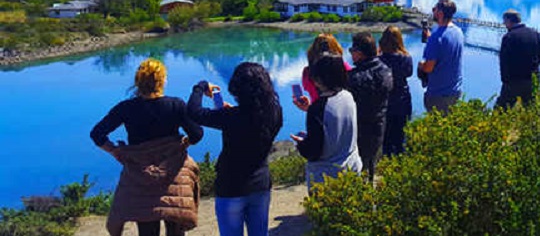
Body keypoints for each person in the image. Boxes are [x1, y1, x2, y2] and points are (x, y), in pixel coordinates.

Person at [91, 59, 202, 236]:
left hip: (140, 176)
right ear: (162, 81)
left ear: (138, 82)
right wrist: (183, 143)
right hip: (174, 175)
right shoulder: (176, 105)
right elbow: (197, 134)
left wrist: (115, 151)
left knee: (147, 229)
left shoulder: (125, 108)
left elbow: (97, 134)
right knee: (175, 228)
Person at [188, 63, 283, 236]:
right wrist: (232, 114)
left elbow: (194, 112)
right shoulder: (275, 112)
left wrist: (200, 86)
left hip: (230, 187)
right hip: (260, 184)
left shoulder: (230, 117)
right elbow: (251, 121)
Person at [292, 55, 362, 190]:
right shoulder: (348, 96)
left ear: (318, 80)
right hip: (352, 167)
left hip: (326, 177)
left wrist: (301, 143)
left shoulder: (317, 109)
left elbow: (313, 151)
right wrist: (310, 109)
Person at [347, 32, 393, 180]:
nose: (351, 55)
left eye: (352, 51)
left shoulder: (355, 78)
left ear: (359, 53)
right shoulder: (385, 70)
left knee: (358, 168)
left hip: (360, 129)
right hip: (379, 124)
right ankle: (369, 196)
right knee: (370, 163)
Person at [418, 0, 464, 115]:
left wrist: (420, 65)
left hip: (438, 95)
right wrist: (430, 39)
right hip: (455, 91)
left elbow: (428, 67)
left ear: (440, 13)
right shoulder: (458, 32)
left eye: (434, 9)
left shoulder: (435, 38)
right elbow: (445, 46)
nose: (433, 12)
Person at [496, 9, 540, 109]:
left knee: (501, 110)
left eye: (505, 21)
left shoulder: (509, 37)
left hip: (513, 80)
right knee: (530, 109)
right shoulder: (534, 33)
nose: (504, 24)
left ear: (509, 21)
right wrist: (533, 68)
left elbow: (504, 62)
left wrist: (505, 79)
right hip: (532, 78)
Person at [378, 26, 413, 157]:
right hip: (402, 101)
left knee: (386, 138)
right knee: (401, 137)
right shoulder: (406, 58)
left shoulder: (380, 60)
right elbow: (408, 73)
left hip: (386, 102)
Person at [299, 34, 351, 105]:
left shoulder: (307, 72)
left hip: (317, 112)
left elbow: (312, 93)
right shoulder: (345, 67)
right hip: (343, 109)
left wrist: (308, 107)